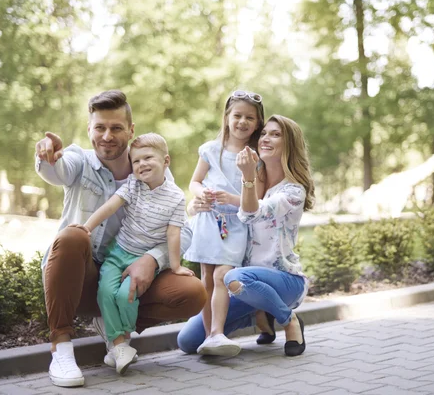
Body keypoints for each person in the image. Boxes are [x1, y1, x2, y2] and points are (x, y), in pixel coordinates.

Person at [35, 90, 206, 387]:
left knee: (192, 292)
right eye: (99, 127)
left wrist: (153, 259)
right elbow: (58, 170)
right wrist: (47, 156)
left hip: (128, 273)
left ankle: (113, 329)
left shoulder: (151, 170)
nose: (107, 136)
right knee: (74, 237)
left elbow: (183, 229)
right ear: (89, 129)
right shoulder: (79, 159)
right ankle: (61, 348)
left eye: (116, 127)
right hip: (81, 279)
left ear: (131, 130)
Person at [177, 115, 315, 358]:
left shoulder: (293, 190)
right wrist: (196, 206)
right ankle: (261, 313)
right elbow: (218, 211)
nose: (266, 138)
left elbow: (251, 213)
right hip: (246, 285)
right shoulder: (257, 181)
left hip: (283, 280)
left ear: (289, 144)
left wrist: (247, 178)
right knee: (188, 340)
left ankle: (288, 318)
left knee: (232, 276)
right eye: (264, 133)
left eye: (275, 134)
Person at [70, 133, 195, 375]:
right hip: (118, 253)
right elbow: (109, 207)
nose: (141, 165)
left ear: (166, 161)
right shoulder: (132, 186)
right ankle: (119, 347)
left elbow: (173, 234)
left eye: (148, 158)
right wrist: (87, 227)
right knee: (106, 291)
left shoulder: (176, 197)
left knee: (125, 295)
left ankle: (121, 340)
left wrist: (176, 265)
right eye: (136, 161)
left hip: (142, 258)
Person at [184, 90, 264, 356]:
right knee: (207, 277)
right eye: (237, 115)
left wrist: (232, 197)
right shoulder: (210, 150)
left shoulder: (255, 157)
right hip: (209, 220)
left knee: (222, 275)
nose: (242, 122)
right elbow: (194, 181)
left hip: (236, 224)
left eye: (249, 118)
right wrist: (200, 194)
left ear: (257, 122)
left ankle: (218, 332)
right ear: (227, 117)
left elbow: (257, 198)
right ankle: (209, 337)